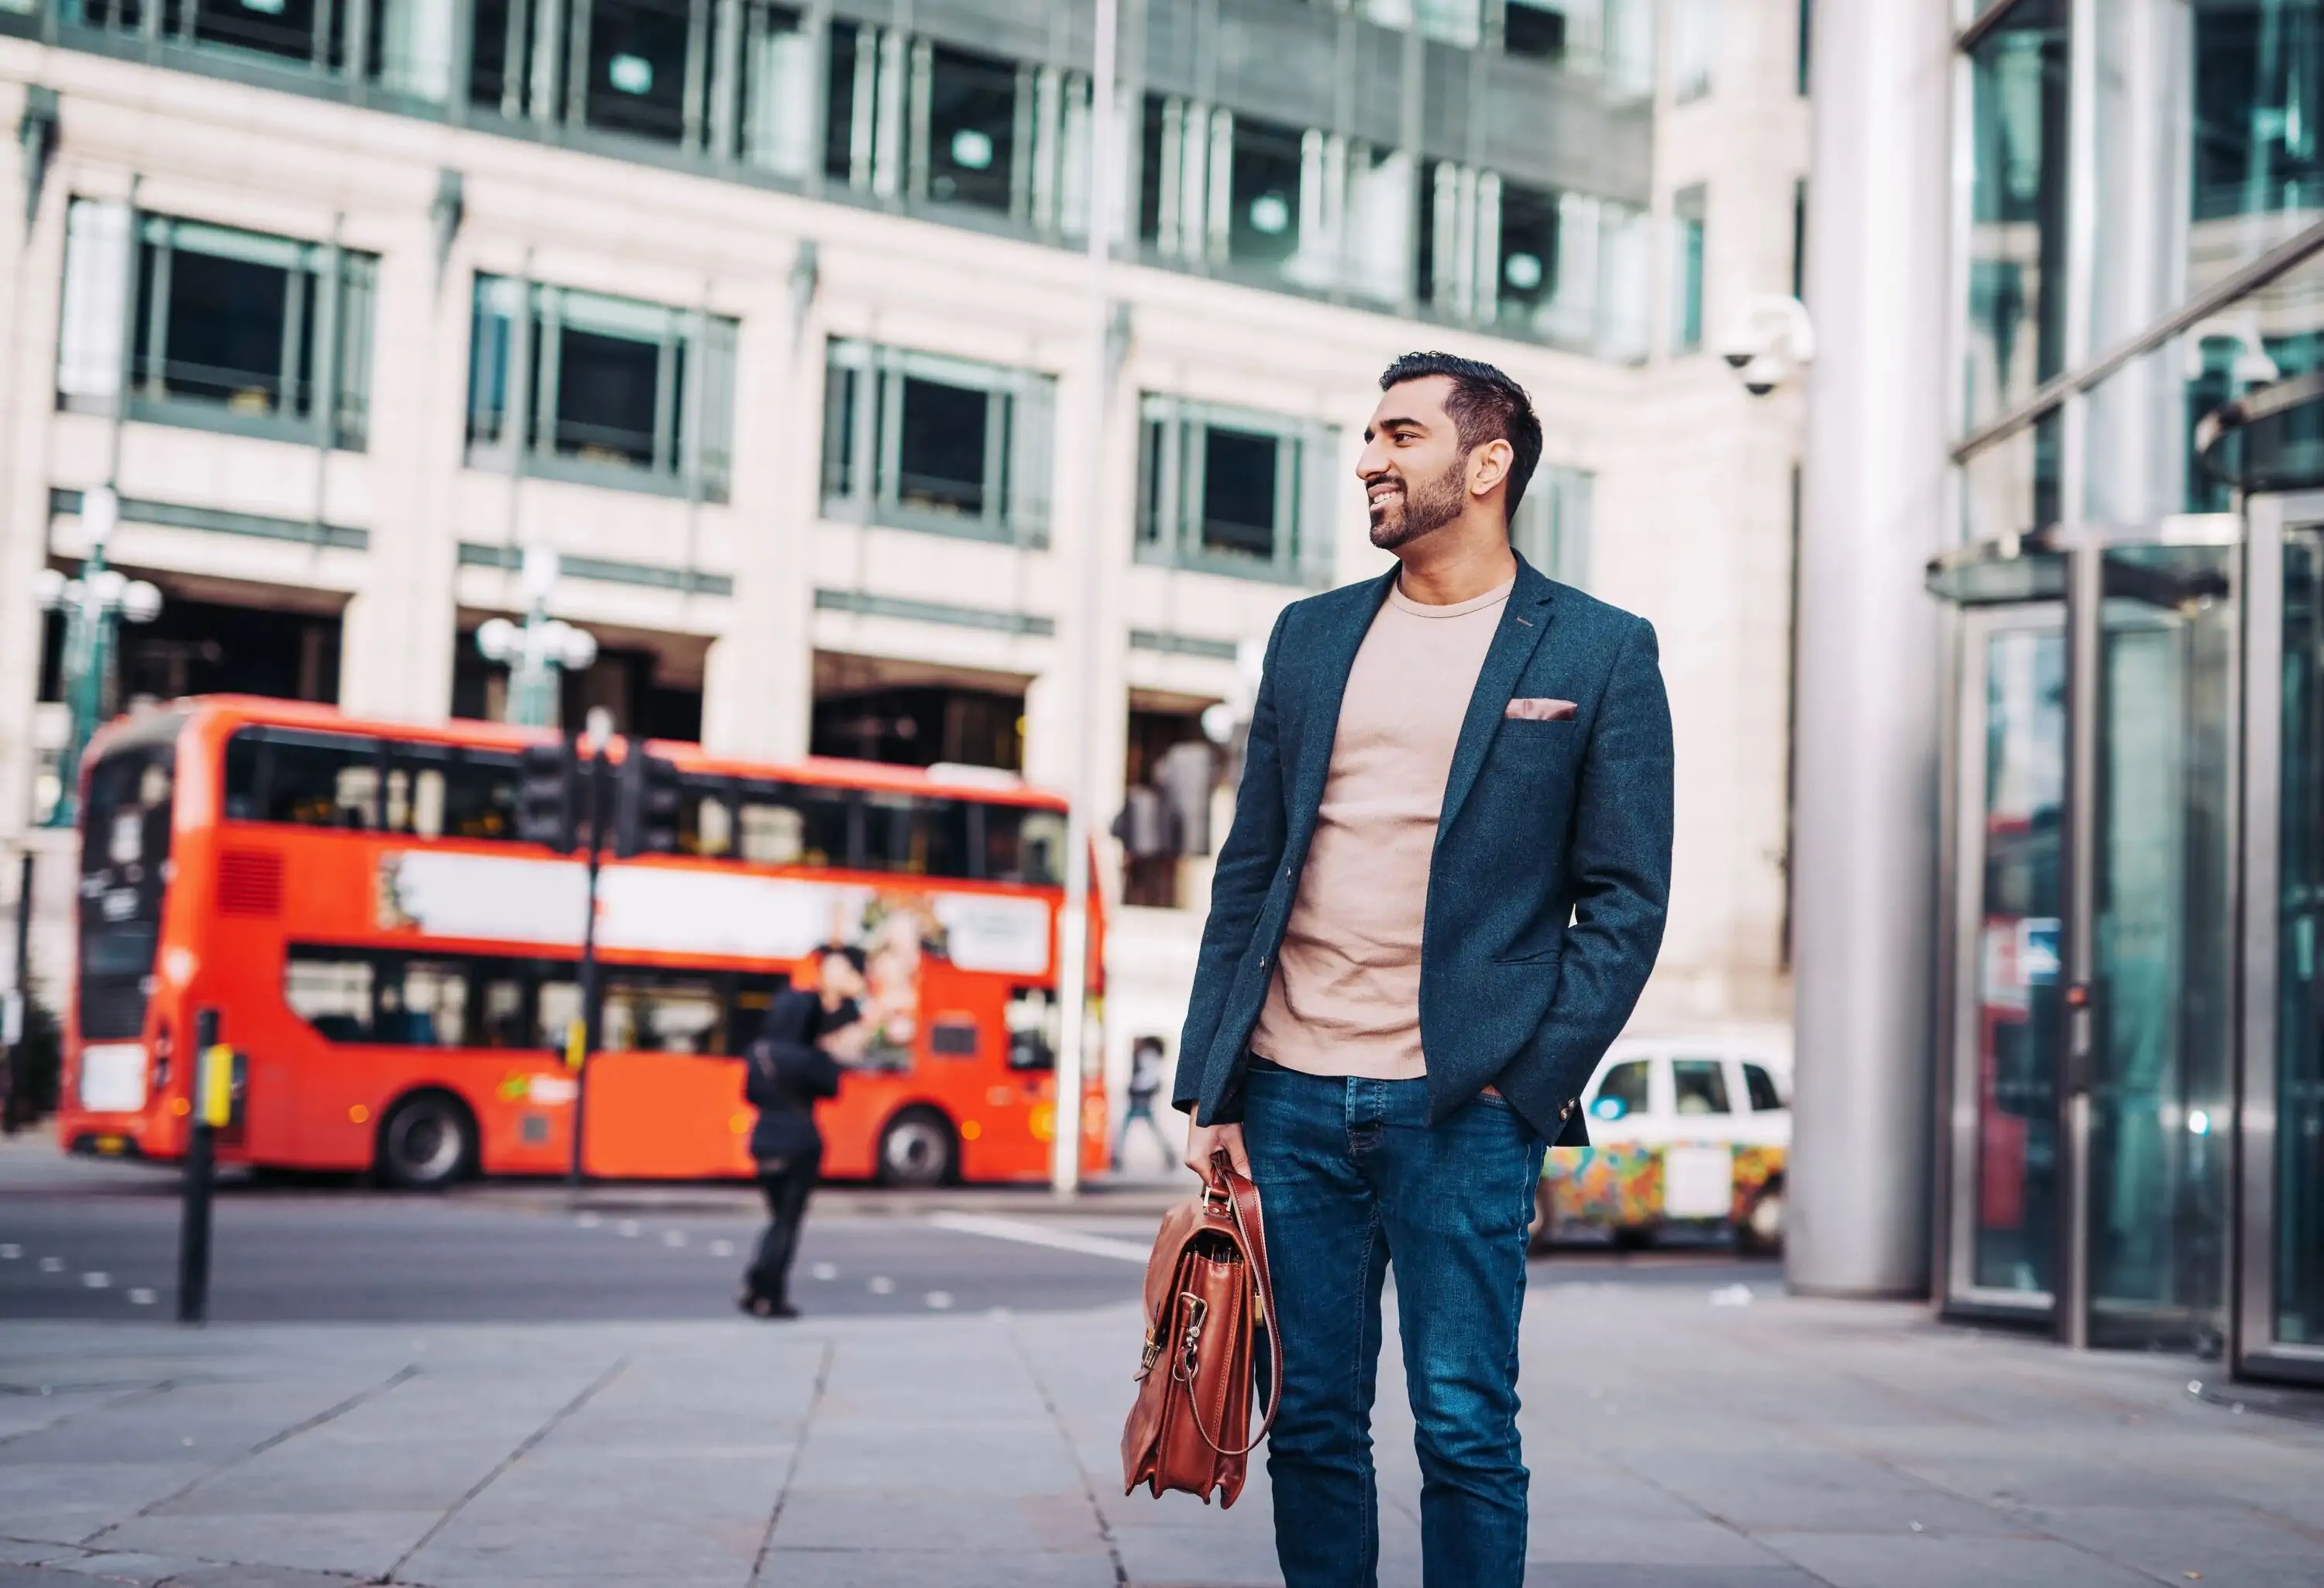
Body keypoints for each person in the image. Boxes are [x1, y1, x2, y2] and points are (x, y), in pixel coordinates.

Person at [1173, 352, 1674, 1588]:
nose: (1370, 459)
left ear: (1487, 463)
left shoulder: (1599, 650)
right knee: (1317, 1429)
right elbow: (1251, 873)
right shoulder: (1310, 636)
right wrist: (1213, 1090)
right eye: (1370, 434)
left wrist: (1526, 1085)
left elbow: (1626, 898)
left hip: (1462, 1105)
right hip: (1289, 1092)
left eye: (1401, 434)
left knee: (1464, 1429)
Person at [737, 945, 868, 1318]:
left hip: (762, 1142)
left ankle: (762, 1288)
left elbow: (748, 1093)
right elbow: (833, 1088)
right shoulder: (810, 1057)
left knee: (776, 1219)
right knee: (788, 1223)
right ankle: (764, 1288)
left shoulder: (758, 1052)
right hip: (800, 1144)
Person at [1112, 1036, 1172, 1170]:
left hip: (1141, 1096)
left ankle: (1116, 1155)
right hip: (1140, 1096)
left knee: (1133, 1128)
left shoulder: (1147, 1056)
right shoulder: (1144, 1055)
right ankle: (1116, 1155)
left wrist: (1135, 1089)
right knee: (1150, 1127)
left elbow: (1148, 1077)